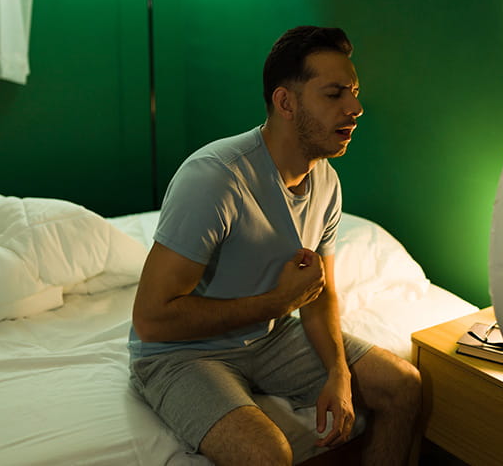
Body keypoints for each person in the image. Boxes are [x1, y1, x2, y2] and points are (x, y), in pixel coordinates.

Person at [128, 26, 422, 466]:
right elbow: (152, 320)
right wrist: (276, 303)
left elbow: (319, 293)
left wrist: (338, 373)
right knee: (269, 454)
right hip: (182, 352)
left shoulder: (326, 181)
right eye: (334, 94)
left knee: (403, 386)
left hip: (270, 339)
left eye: (354, 93)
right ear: (285, 103)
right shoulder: (215, 179)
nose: (355, 108)